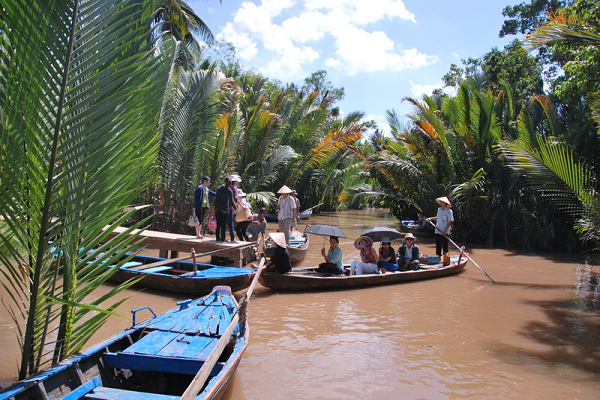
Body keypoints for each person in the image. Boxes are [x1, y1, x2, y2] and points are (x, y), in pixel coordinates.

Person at [213, 177, 235, 243]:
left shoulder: (219, 189)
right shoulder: (229, 191)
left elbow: (216, 200)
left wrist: (214, 208)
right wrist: (236, 208)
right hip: (225, 209)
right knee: (223, 224)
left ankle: (217, 237)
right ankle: (222, 238)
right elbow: (231, 202)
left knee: (218, 223)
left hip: (218, 209)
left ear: (224, 181)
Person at [228, 174, 242, 242]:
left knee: (224, 222)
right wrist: (241, 206)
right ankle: (232, 238)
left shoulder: (227, 187)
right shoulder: (234, 188)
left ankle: (223, 237)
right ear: (235, 181)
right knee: (231, 223)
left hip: (224, 207)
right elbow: (236, 199)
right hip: (231, 207)